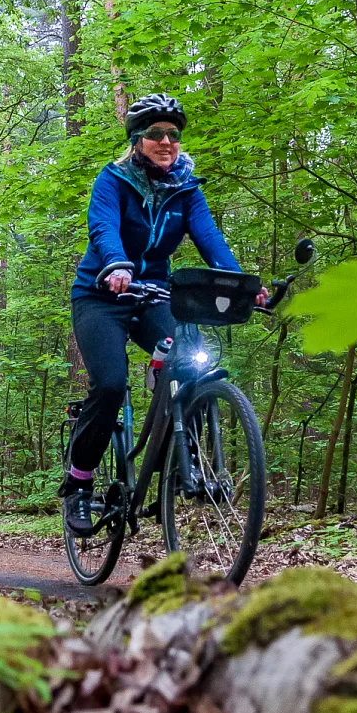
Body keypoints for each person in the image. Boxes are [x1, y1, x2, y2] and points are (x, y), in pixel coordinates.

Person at [62, 94, 267, 536]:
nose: (166, 141)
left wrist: (243, 286)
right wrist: (116, 264)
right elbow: (103, 229)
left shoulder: (187, 190)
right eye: (156, 134)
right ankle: (79, 484)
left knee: (192, 364)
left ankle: (179, 457)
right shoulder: (113, 180)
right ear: (138, 140)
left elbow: (210, 238)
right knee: (112, 384)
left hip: (154, 293)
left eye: (173, 134)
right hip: (102, 294)